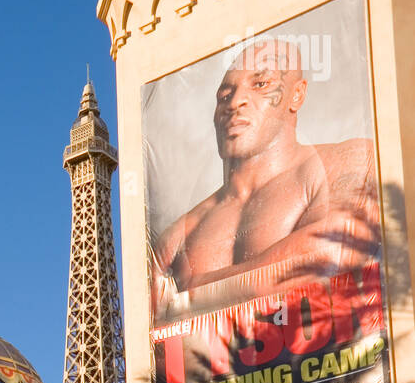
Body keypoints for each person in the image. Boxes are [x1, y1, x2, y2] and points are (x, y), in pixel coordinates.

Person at [152, 38, 379, 321]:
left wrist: (189, 293)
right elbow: (152, 326)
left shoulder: (352, 158)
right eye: (225, 95)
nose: (235, 103)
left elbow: (331, 254)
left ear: (296, 95)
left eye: (260, 84)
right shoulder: (179, 233)